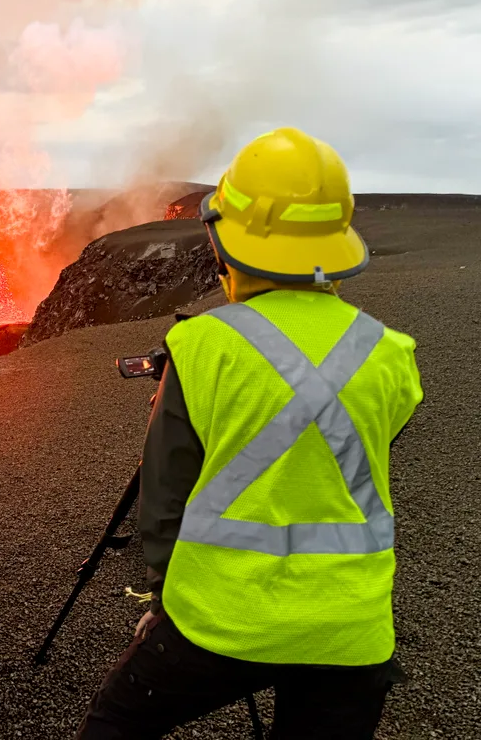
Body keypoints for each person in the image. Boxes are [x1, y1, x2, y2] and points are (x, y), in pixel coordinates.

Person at [75, 128, 424, 740]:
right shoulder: (393, 354)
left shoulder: (201, 344)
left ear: (223, 243)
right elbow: (349, 459)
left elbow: (164, 497)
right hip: (349, 632)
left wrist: (162, 603)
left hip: (219, 621)